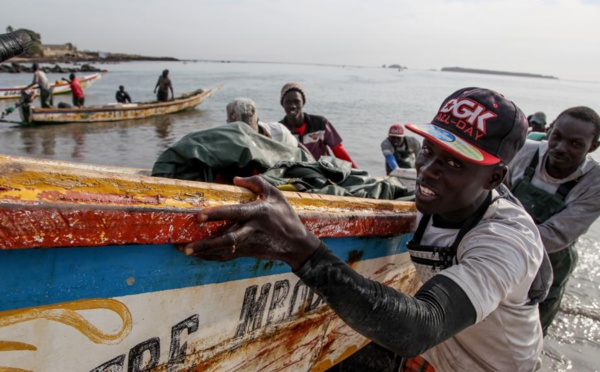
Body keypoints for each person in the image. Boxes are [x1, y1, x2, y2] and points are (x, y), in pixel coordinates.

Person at [182, 87, 546, 371]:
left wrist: (299, 248)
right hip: (439, 358)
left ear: (495, 178)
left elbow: (422, 326)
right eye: (429, 150)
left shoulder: (505, 241)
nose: (429, 169)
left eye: (453, 162)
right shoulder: (438, 198)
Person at [507, 106, 600, 336]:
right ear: (549, 131)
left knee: (529, 334)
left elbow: (555, 235)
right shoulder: (523, 152)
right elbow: (492, 195)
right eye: (556, 137)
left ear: (593, 147)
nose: (561, 148)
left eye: (575, 144)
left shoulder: (594, 183)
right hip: (504, 245)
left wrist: (498, 238)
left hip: (550, 260)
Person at [279, 82, 358, 168]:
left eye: (297, 101)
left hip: (324, 171)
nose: (293, 106)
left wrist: (357, 171)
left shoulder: (320, 124)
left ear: (303, 103)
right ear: (282, 104)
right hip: (297, 174)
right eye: (288, 102)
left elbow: (338, 149)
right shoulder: (279, 130)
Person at [226, 98, 298, 148]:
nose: (243, 133)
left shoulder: (280, 133)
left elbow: (297, 151)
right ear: (228, 124)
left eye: (247, 128)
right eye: (236, 128)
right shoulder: (224, 143)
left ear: (257, 121)